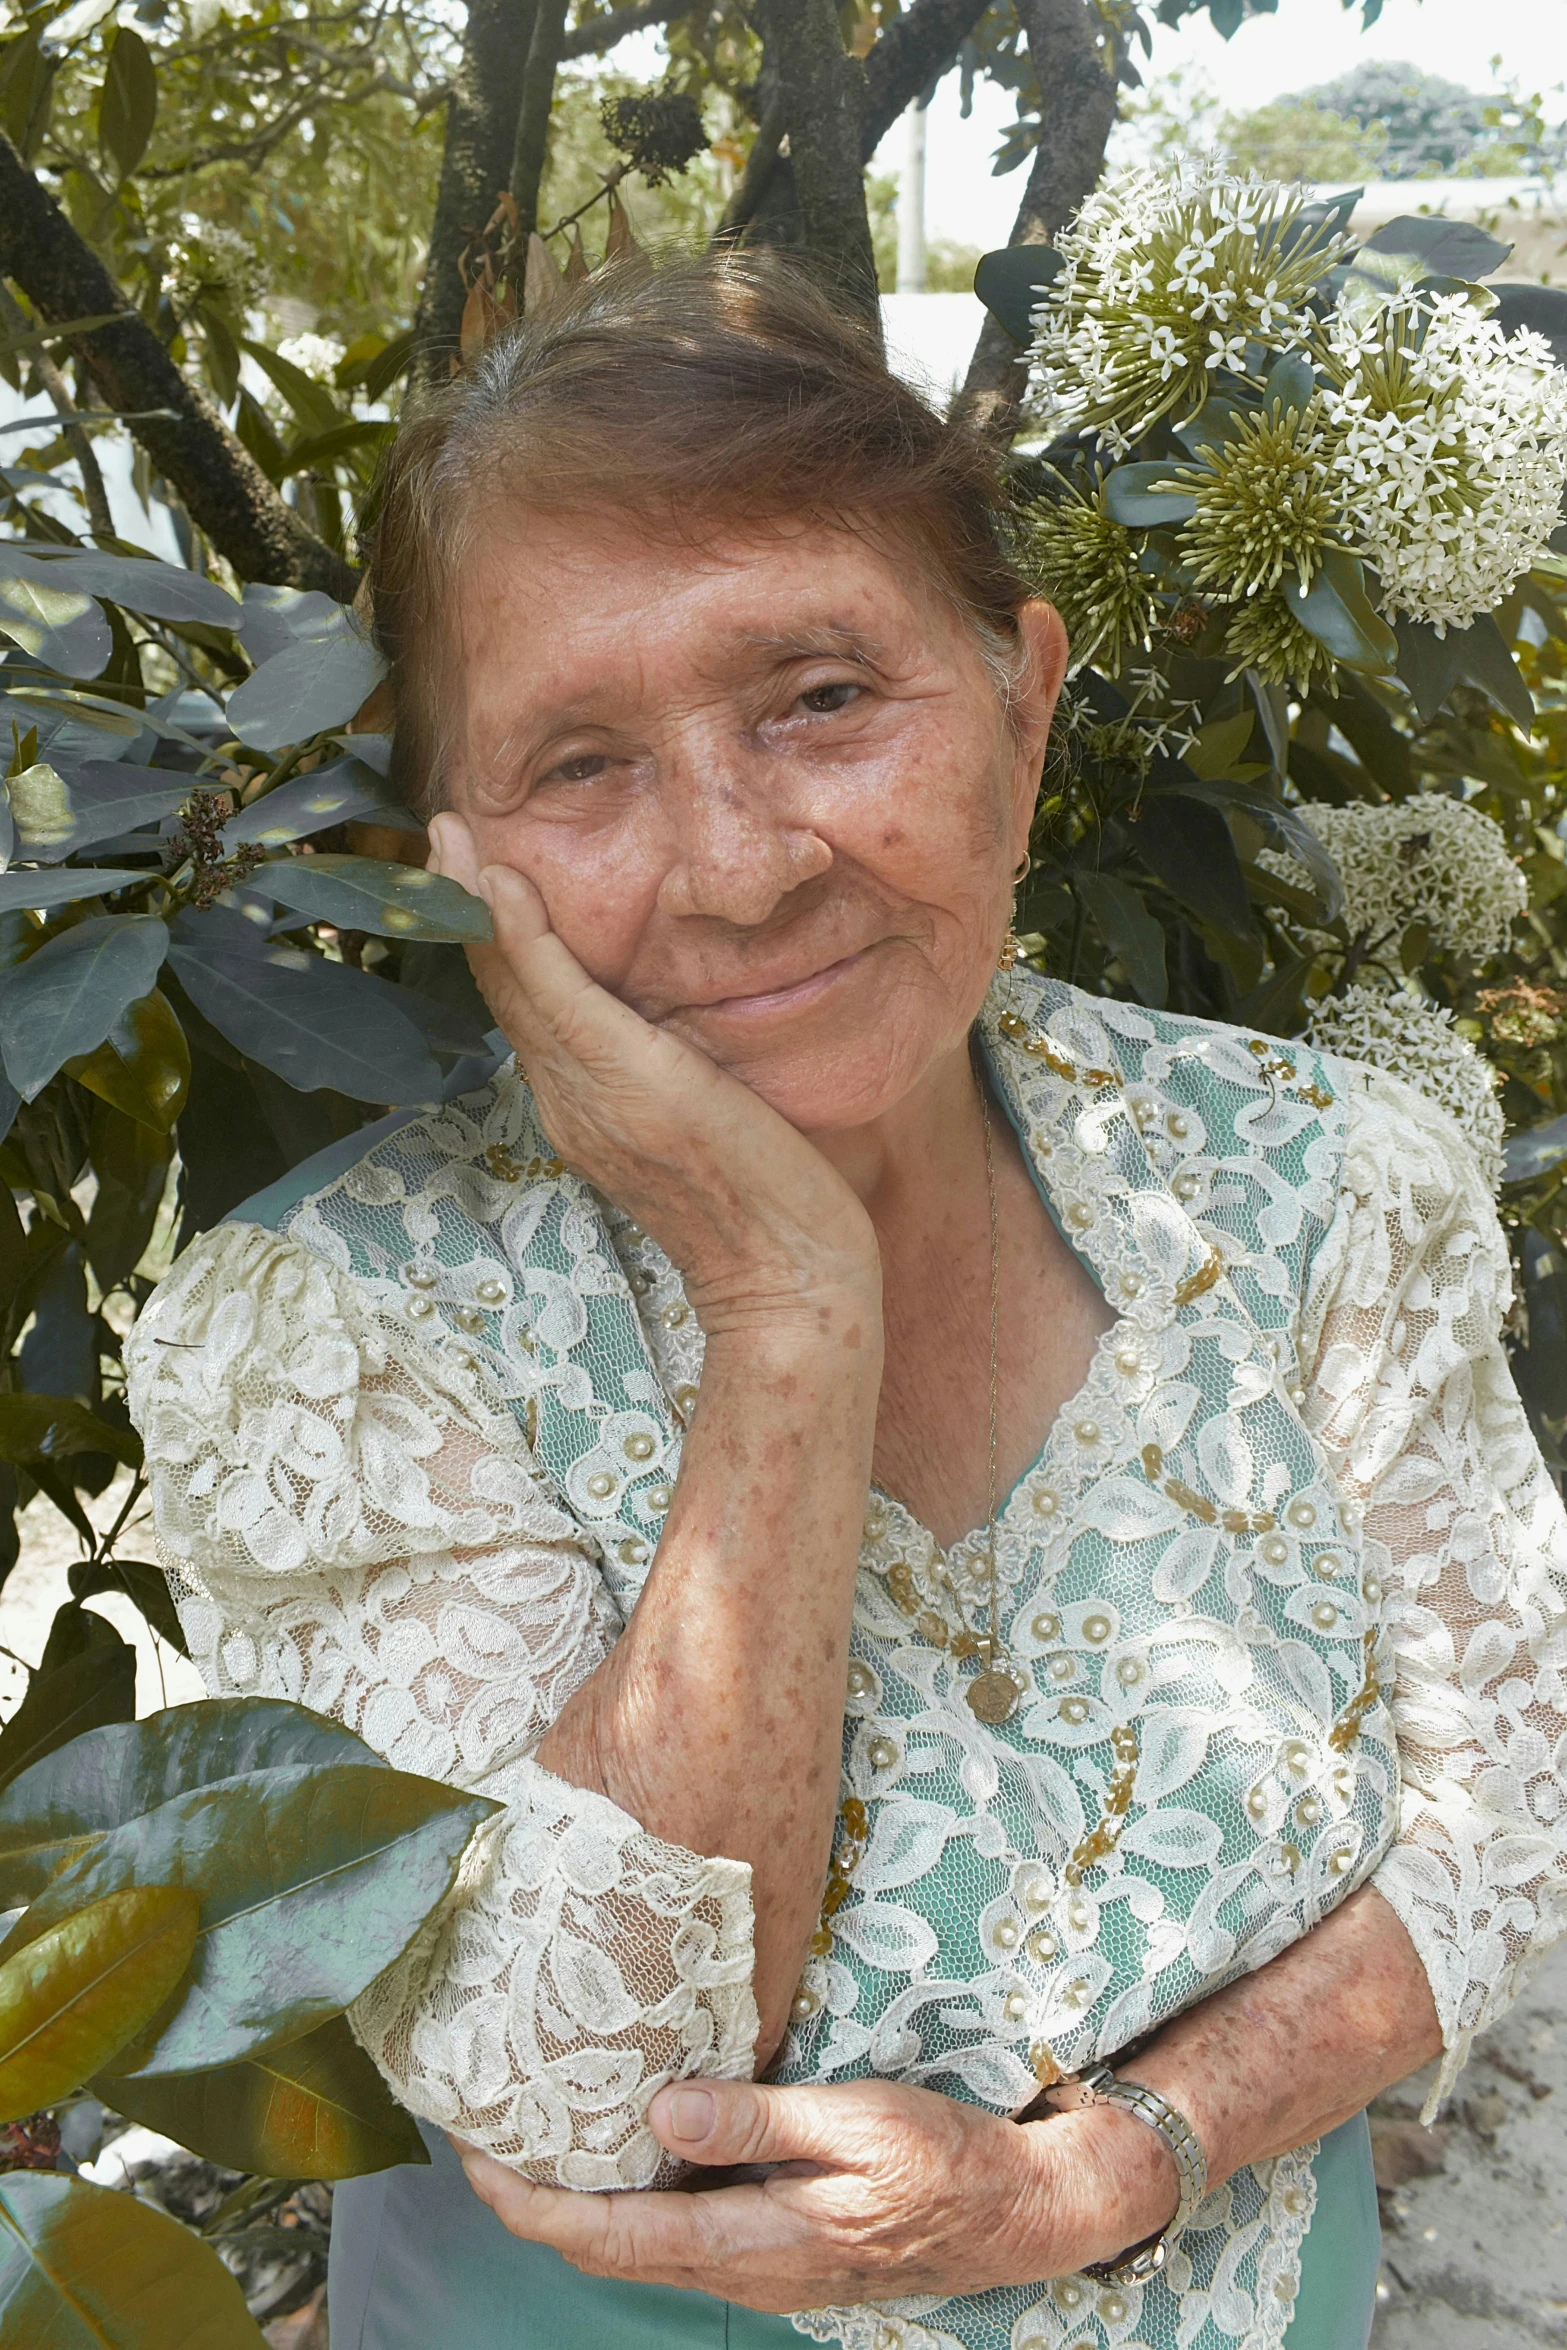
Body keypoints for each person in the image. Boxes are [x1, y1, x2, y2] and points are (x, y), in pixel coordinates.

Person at [125, 253, 1567, 2350]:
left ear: (1023, 695)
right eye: (582, 764)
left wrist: (1118, 2155)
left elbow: (1503, 1796)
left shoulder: (1328, 1186)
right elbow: (598, 2099)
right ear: (452, 860)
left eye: (818, 696)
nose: (733, 865)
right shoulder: (328, 1336)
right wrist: (783, 1299)